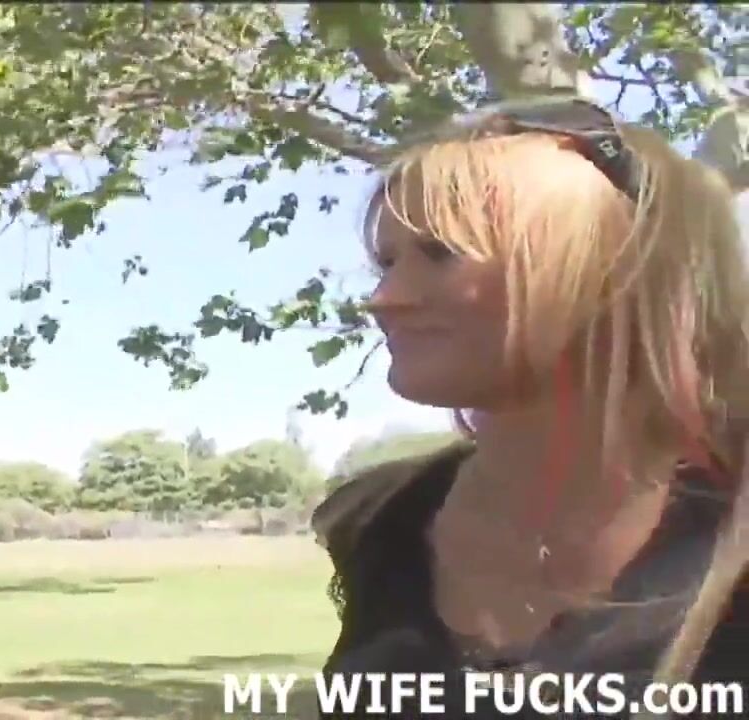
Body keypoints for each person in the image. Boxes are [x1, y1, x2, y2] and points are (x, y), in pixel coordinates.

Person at [311, 97, 749, 718]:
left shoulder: (732, 531)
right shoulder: (381, 521)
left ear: (615, 270)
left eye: (441, 253)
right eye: (386, 263)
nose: (383, 300)